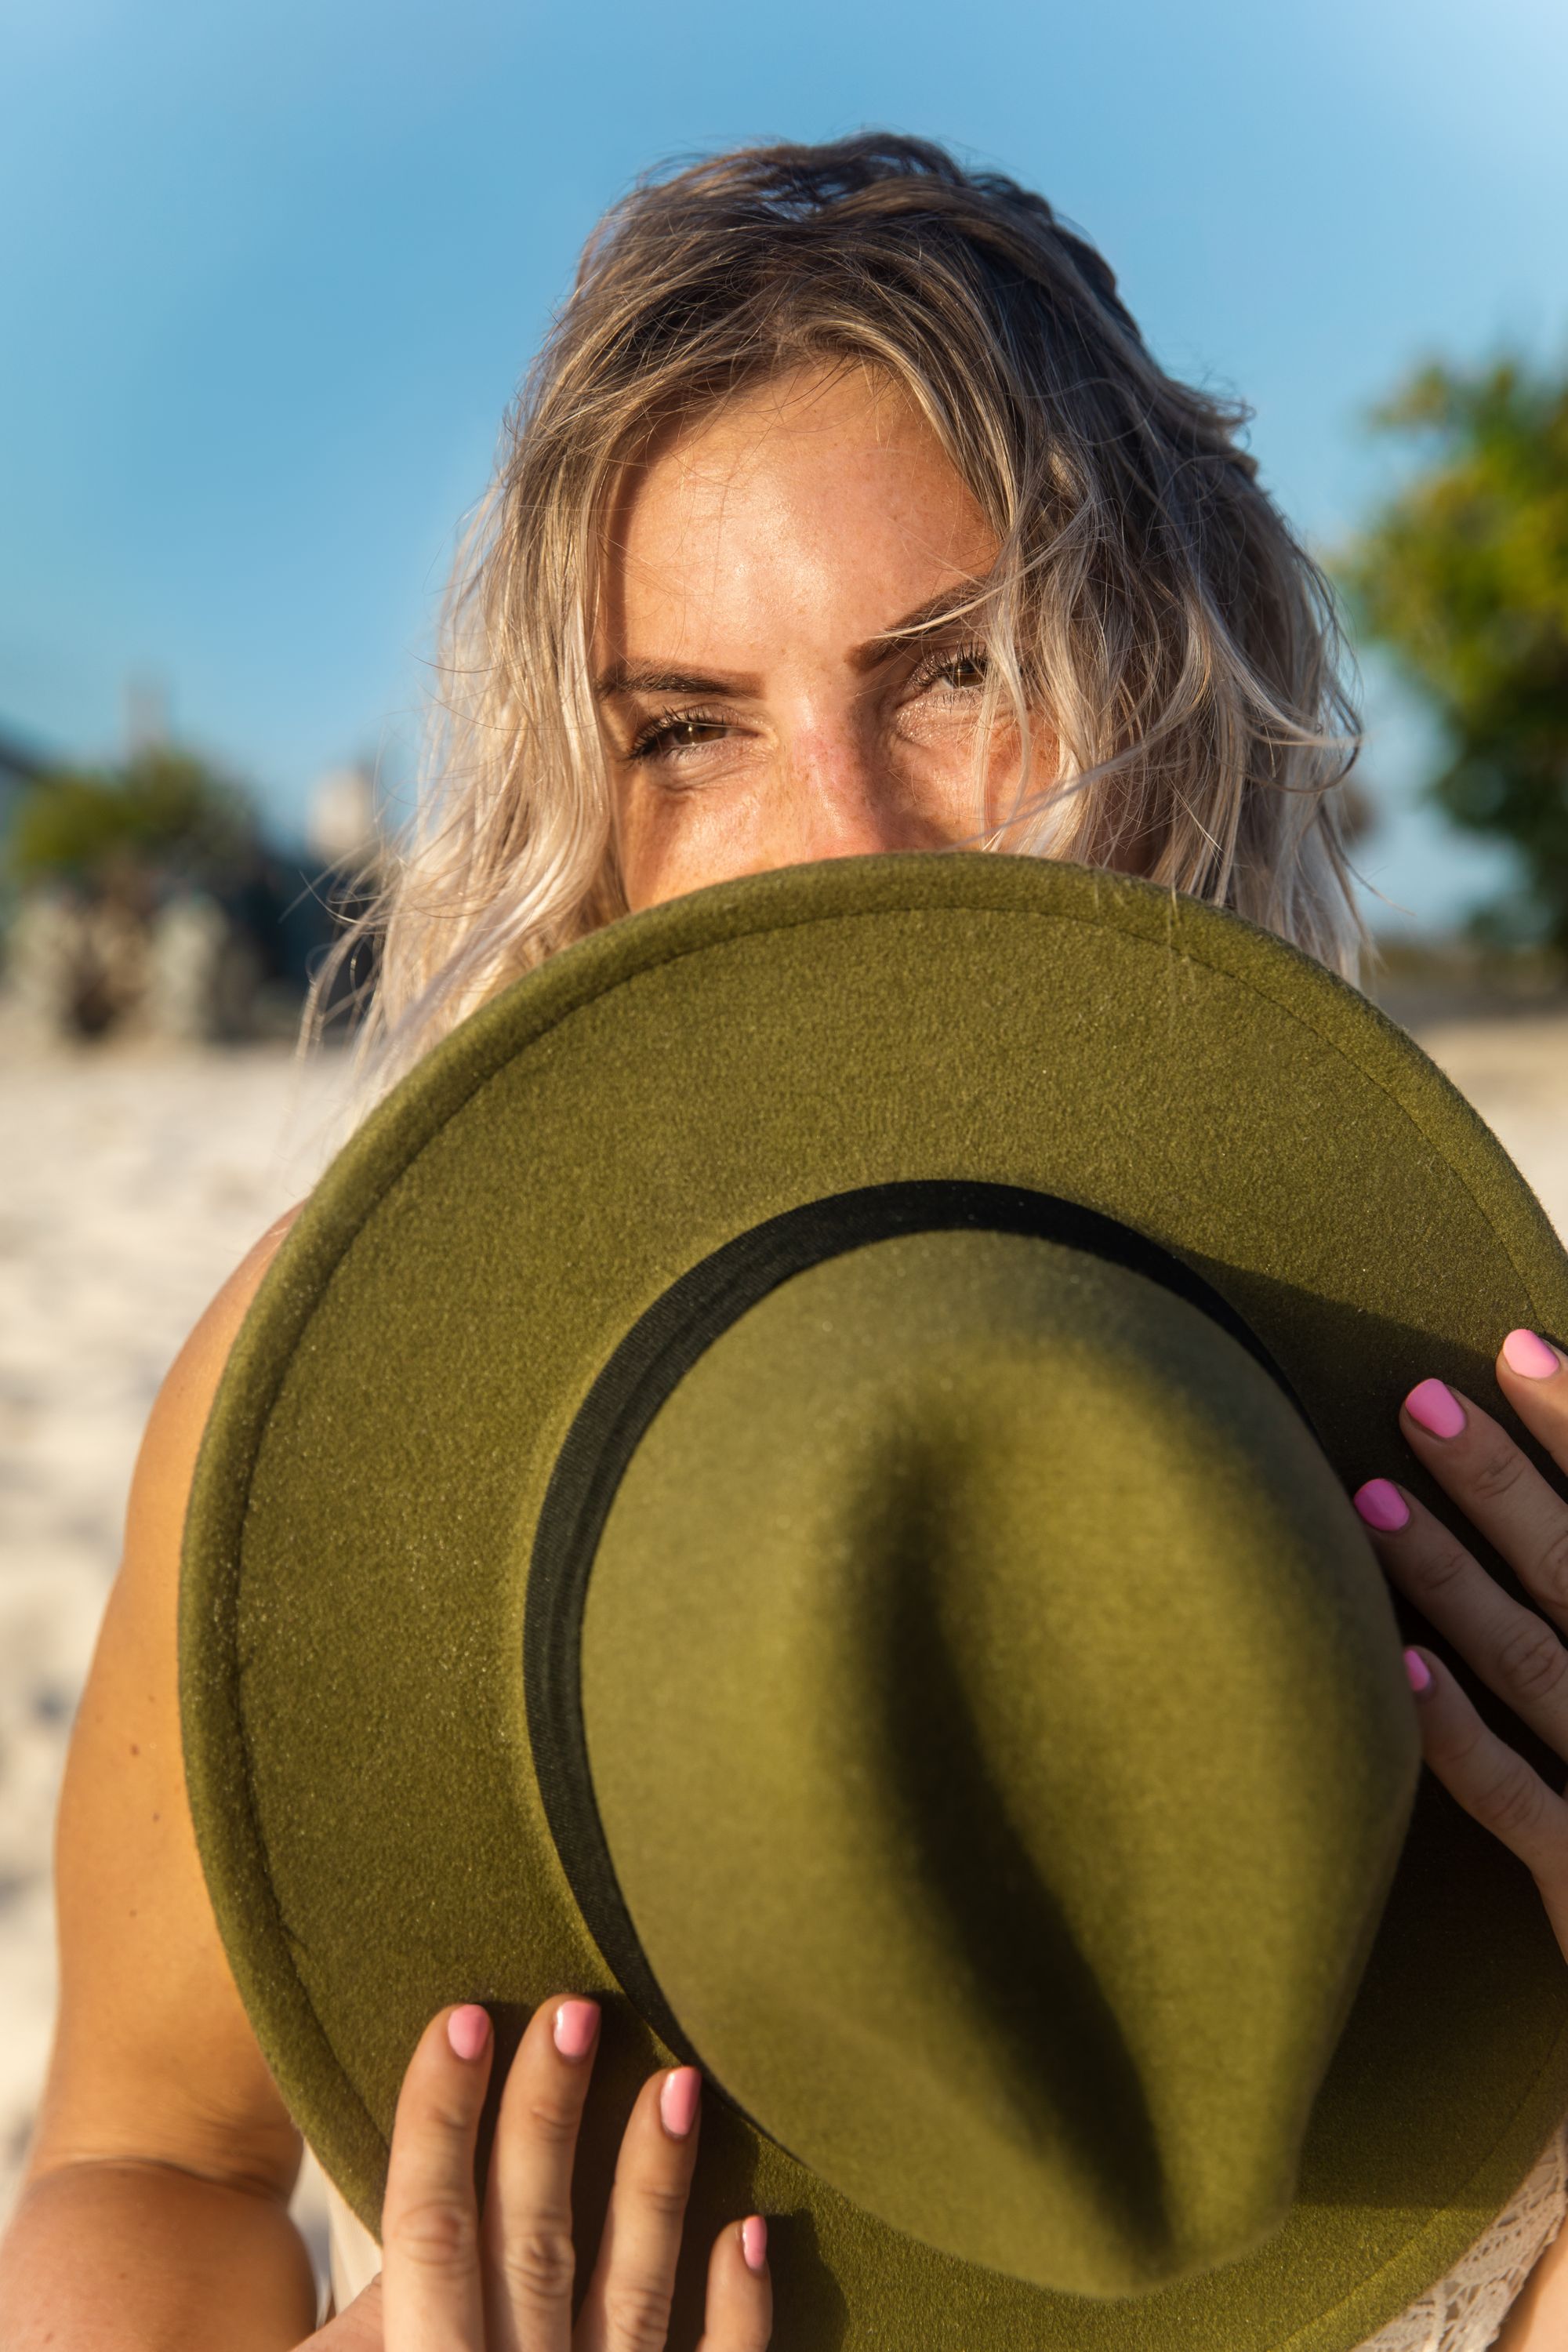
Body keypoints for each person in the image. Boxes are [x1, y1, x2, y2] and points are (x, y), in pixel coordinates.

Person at [5, 133, 1568, 2352]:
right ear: (587, 798)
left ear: (1178, 677)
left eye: (951, 675)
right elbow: (144, 2159)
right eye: (690, 729)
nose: (842, 832)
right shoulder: (344, 1417)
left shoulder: (1506, 1433)